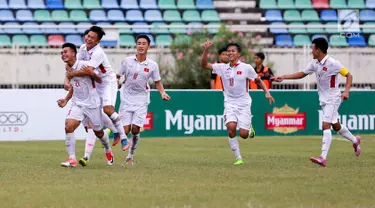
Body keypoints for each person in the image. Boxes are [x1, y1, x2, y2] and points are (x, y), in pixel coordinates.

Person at [272, 38, 360, 167]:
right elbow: (302, 74)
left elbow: (349, 75)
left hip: (333, 98)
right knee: (336, 126)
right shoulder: (315, 63)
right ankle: (355, 140)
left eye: (313, 49)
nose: (311, 51)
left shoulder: (333, 63)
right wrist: (284, 77)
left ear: (318, 50)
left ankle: (323, 157)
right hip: (323, 99)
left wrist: (346, 91)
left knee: (326, 125)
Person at [201, 41, 275, 165]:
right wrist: (206, 50)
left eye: (233, 51)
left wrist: (267, 93)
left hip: (244, 104)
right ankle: (238, 158)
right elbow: (204, 65)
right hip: (229, 103)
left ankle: (249, 128)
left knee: (244, 134)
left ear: (238, 53)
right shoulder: (221, 67)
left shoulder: (246, 68)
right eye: (228, 51)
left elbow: (258, 80)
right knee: (231, 128)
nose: (230, 53)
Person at [116, 35, 171, 165]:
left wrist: (162, 93)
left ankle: (130, 156)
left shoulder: (152, 65)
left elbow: (157, 82)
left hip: (141, 99)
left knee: (135, 129)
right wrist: (116, 83)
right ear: (136, 45)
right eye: (139, 43)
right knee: (125, 131)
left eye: (143, 43)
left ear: (148, 47)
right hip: (126, 98)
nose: (141, 46)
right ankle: (119, 135)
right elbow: (117, 76)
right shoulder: (126, 61)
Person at [57, 43, 113, 167]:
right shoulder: (68, 68)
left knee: (99, 133)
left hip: (93, 104)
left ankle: (108, 149)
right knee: (68, 126)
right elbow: (75, 87)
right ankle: (72, 159)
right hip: (78, 104)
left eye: (65, 52)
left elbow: (99, 80)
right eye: (61, 53)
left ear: (73, 53)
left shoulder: (85, 65)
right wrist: (66, 100)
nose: (63, 55)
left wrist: (92, 74)